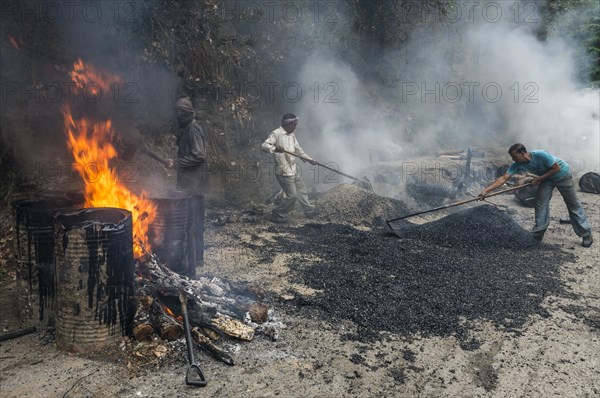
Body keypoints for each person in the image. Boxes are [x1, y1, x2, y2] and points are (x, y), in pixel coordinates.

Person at [479, 143, 593, 247]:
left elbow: (556, 168)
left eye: (514, 156)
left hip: (562, 175)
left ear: (523, 153)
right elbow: (503, 178)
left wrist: (539, 179)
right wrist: (486, 191)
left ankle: (586, 234)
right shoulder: (517, 165)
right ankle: (538, 233)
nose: (513, 159)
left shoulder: (540, 155)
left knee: (572, 204)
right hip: (547, 179)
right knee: (540, 203)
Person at [165, 97, 208, 277]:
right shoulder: (186, 130)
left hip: (194, 185)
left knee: (195, 223)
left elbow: (199, 155)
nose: (178, 115)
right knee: (189, 222)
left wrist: (176, 163)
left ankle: (196, 258)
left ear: (188, 113)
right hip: (187, 184)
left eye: (181, 113)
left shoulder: (193, 129)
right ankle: (192, 257)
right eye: (177, 112)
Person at [261, 113, 319, 223]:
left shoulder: (291, 135)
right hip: (283, 172)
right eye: (294, 125)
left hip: (293, 169)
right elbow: (264, 145)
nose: (295, 127)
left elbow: (298, 149)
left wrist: (309, 159)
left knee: (301, 189)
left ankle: (309, 211)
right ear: (288, 124)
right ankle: (278, 213)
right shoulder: (276, 133)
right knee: (292, 196)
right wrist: (275, 148)